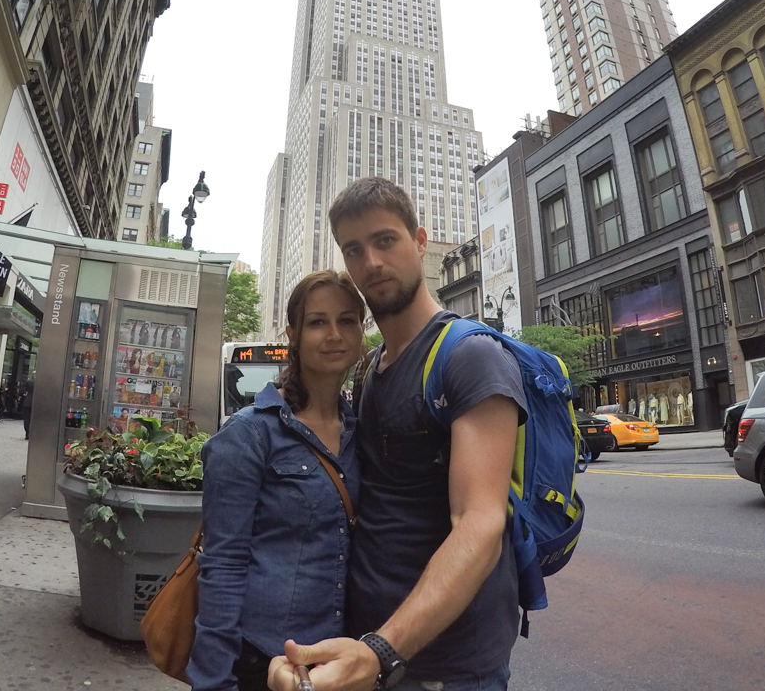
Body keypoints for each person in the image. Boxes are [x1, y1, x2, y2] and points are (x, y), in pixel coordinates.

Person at [270, 178, 526, 691]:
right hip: (366, 650)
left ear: (420, 240)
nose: (371, 262)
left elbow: (479, 525)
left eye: (385, 240)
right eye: (354, 249)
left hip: (446, 666)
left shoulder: (470, 356)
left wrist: (383, 649)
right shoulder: (369, 369)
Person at [187, 270, 365, 691]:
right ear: (294, 335)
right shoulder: (249, 433)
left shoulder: (361, 432)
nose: (334, 335)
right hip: (262, 661)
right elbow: (223, 565)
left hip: (340, 663)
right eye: (318, 322)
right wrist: (214, 681)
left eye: (347, 320)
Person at [20, 374, 34, 440]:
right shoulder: (39, 382)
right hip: (35, 403)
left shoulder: (28, 382)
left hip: (27, 402)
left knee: (26, 418)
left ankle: (27, 432)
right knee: (32, 419)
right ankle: (31, 432)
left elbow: (22, 391)